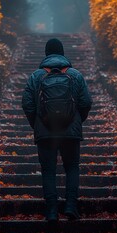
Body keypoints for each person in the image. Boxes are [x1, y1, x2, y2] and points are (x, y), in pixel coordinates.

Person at [21, 38, 92, 222]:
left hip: (45, 132)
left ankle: (52, 211)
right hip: (70, 131)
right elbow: (85, 102)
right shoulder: (75, 75)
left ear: (46, 54)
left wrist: (37, 123)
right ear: (62, 53)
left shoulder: (36, 76)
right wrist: (76, 120)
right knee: (72, 168)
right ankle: (70, 207)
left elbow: (28, 104)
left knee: (48, 170)